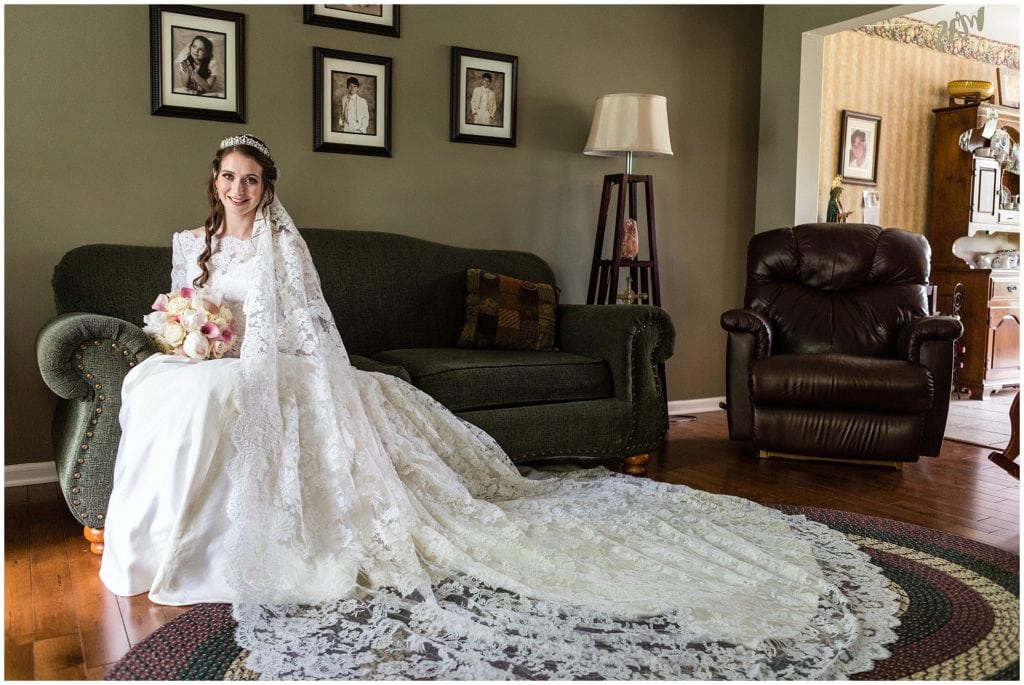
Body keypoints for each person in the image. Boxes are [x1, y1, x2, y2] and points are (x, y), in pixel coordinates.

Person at [99, 134, 899, 680]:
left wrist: (236, 353)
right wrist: (191, 337)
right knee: (161, 385)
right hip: (213, 361)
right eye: (229, 177)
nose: (240, 189)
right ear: (214, 182)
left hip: (278, 363)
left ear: (267, 188)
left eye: (252, 178)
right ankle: (157, 536)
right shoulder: (189, 242)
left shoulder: (282, 245)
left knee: (218, 395)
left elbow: (292, 327)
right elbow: (186, 307)